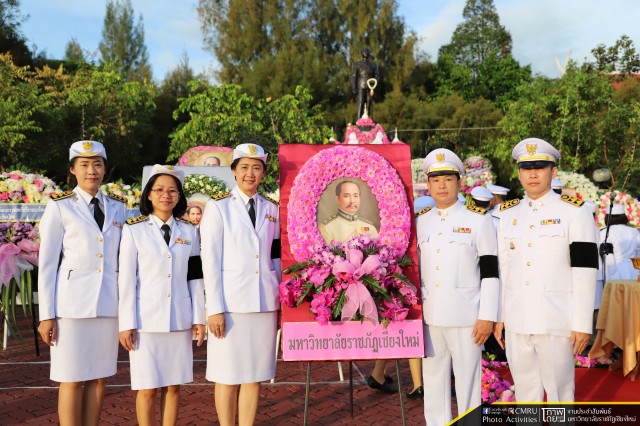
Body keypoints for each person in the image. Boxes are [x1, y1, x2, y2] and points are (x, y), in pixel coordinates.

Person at [493, 137, 598, 403]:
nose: (533, 174)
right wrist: (500, 316)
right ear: (518, 173)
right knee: (526, 395)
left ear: (553, 171)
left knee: (560, 394)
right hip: (517, 320)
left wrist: (582, 323)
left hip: (556, 320)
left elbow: (584, 270)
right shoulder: (506, 214)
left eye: (540, 167)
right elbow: (503, 269)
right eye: (526, 168)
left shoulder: (575, 213)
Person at [37, 140, 127, 426]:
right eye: (85, 165)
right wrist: (46, 315)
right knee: (71, 378)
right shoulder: (60, 206)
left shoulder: (118, 208)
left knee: (99, 378)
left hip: (107, 305)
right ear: (73, 169)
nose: (92, 171)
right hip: (71, 306)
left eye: (97, 164)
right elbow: (48, 263)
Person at [200, 143, 281, 426]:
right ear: (234, 171)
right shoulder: (218, 206)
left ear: (263, 173)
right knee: (227, 374)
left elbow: (276, 256)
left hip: (264, 302)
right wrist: (214, 308)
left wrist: (281, 299)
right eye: (244, 167)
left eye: (256, 168)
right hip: (231, 305)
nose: (250, 173)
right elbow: (209, 260)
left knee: (255, 374)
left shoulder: (272, 208)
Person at [118, 165, 206, 426]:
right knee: (146, 389)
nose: (165, 195)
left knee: (174, 387)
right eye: (159, 190)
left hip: (179, 319)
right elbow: (126, 280)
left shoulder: (189, 231)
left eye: (172, 191)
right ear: (148, 195)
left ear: (179, 197)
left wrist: (199, 317)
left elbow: (195, 277)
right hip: (145, 322)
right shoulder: (133, 230)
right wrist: (127, 324)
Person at [417, 148, 499, 425]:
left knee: (468, 384)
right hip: (430, 316)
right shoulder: (419, 222)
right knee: (434, 382)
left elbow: (490, 272)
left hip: (467, 317)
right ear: (427, 184)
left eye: (448, 179)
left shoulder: (478, 220)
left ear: (459, 182)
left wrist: (487, 315)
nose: (441, 185)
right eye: (436, 179)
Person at [319, 180, 379, 245]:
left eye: (355, 196)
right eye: (346, 196)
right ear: (338, 199)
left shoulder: (369, 227)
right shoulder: (327, 227)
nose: (352, 201)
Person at [599, 203, 640, 280]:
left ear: (607, 217)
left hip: (612, 269)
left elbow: (604, 255)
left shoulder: (605, 232)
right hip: (633, 270)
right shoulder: (634, 231)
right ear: (624, 217)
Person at [351, 47, 380, 119]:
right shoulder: (357, 64)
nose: (366, 52)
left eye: (367, 51)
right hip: (361, 85)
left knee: (369, 104)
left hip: (370, 87)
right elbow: (354, 76)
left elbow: (377, 76)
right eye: (364, 51)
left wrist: (373, 85)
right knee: (361, 102)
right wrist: (354, 87)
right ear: (361, 53)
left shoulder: (373, 65)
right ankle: (359, 120)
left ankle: (369, 120)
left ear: (369, 53)